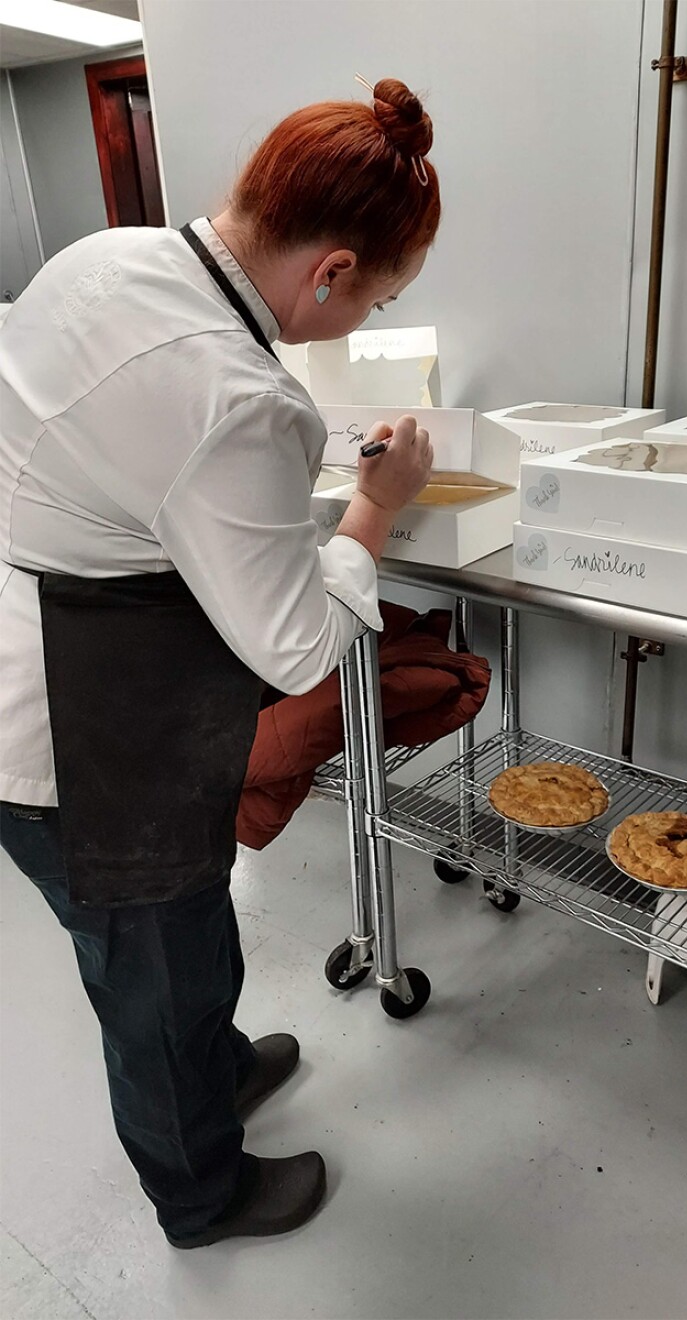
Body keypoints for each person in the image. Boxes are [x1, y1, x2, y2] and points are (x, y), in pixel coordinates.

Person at [0, 76, 440, 1248]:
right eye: (382, 298)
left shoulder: (107, 258)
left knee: (187, 933)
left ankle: (220, 1068)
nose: (369, 318)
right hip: (71, 735)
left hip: (58, 645)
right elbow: (298, 642)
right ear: (329, 272)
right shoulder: (237, 396)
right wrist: (375, 511)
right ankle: (201, 1193)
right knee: (149, 975)